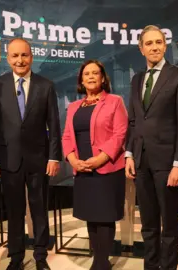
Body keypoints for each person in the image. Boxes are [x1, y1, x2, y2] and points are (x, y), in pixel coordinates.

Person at [0, 38, 62, 270]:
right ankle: (15, 257)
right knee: (14, 211)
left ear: (32, 56)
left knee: (39, 209)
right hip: (8, 160)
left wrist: (54, 156)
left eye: (24, 55)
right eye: (15, 56)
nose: (20, 60)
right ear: (8, 58)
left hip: (39, 159)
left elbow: (54, 125)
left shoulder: (45, 85)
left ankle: (40, 257)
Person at [125, 25, 178, 270]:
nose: (154, 47)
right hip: (141, 161)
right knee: (148, 223)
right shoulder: (136, 80)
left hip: (168, 163)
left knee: (169, 224)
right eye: (149, 43)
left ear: (164, 45)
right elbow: (133, 121)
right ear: (141, 48)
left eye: (159, 42)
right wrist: (129, 154)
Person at [62, 60, 128, 270]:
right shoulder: (73, 107)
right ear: (81, 79)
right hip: (82, 169)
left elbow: (120, 134)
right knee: (91, 215)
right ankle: (97, 259)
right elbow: (66, 137)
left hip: (107, 169)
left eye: (95, 73)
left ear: (102, 78)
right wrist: (73, 160)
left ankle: (101, 262)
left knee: (105, 216)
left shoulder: (115, 101)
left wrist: (101, 158)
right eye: (86, 74)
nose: (91, 77)